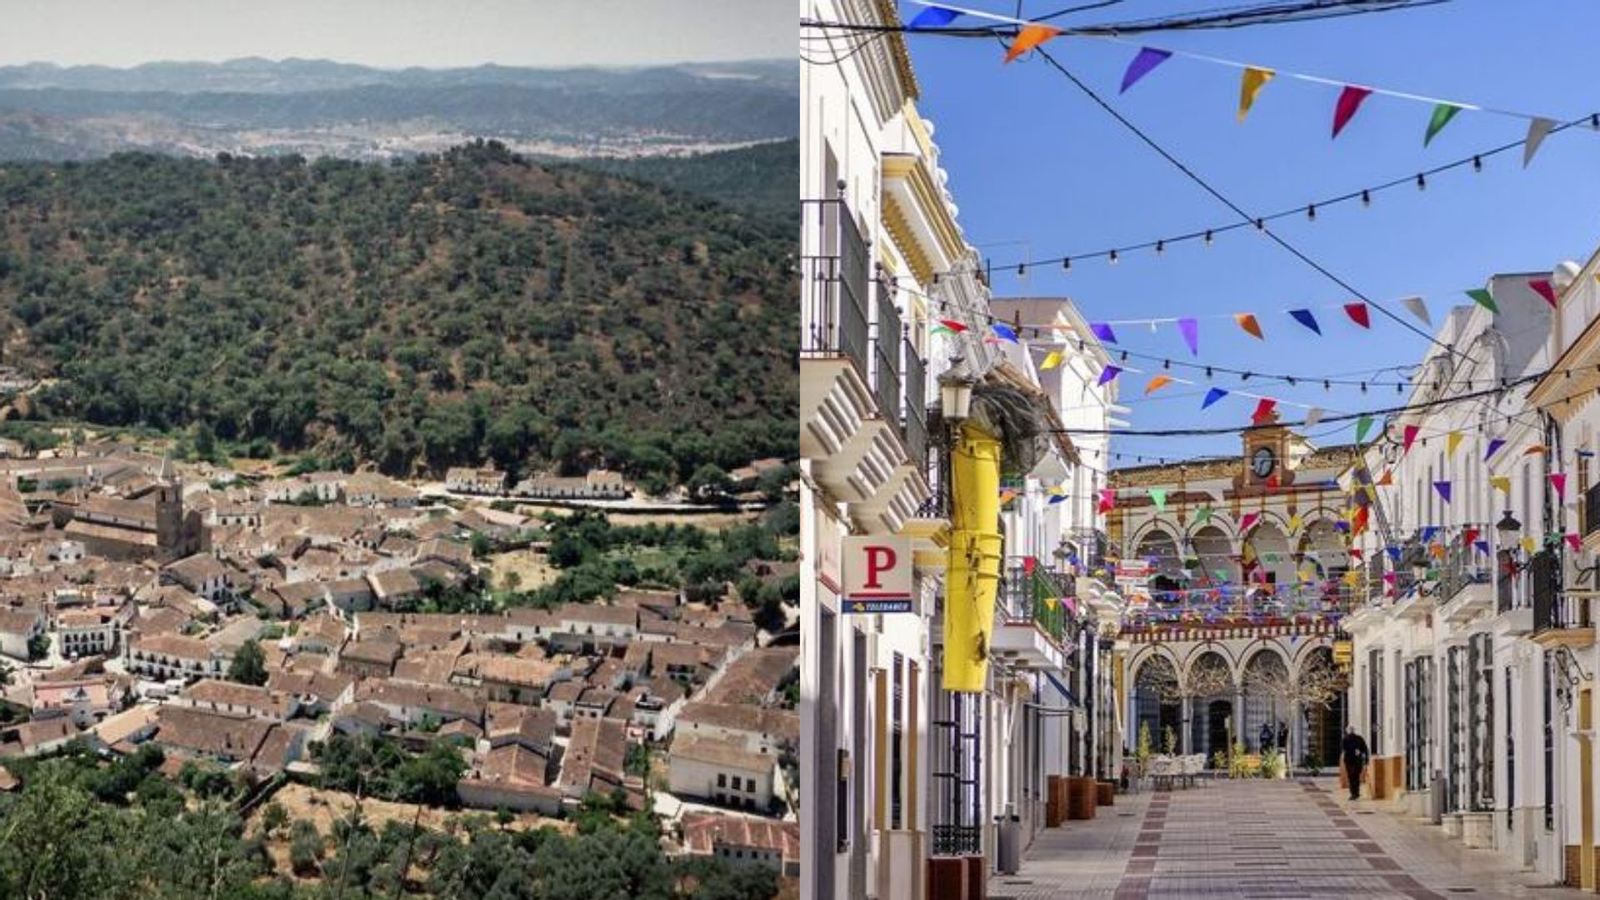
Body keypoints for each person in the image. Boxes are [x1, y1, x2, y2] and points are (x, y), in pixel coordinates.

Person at [1342, 725, 1370, 800]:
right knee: (1355, 777)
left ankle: (1354, 793)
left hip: (1351, 761)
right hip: (1355, 761)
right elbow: (1365, 750)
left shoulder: (1346, 739)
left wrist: (1366, 759)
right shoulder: (1358, 738)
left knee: (1352, 777)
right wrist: (1366, 759)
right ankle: (1355, 793)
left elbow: (1344, 750)